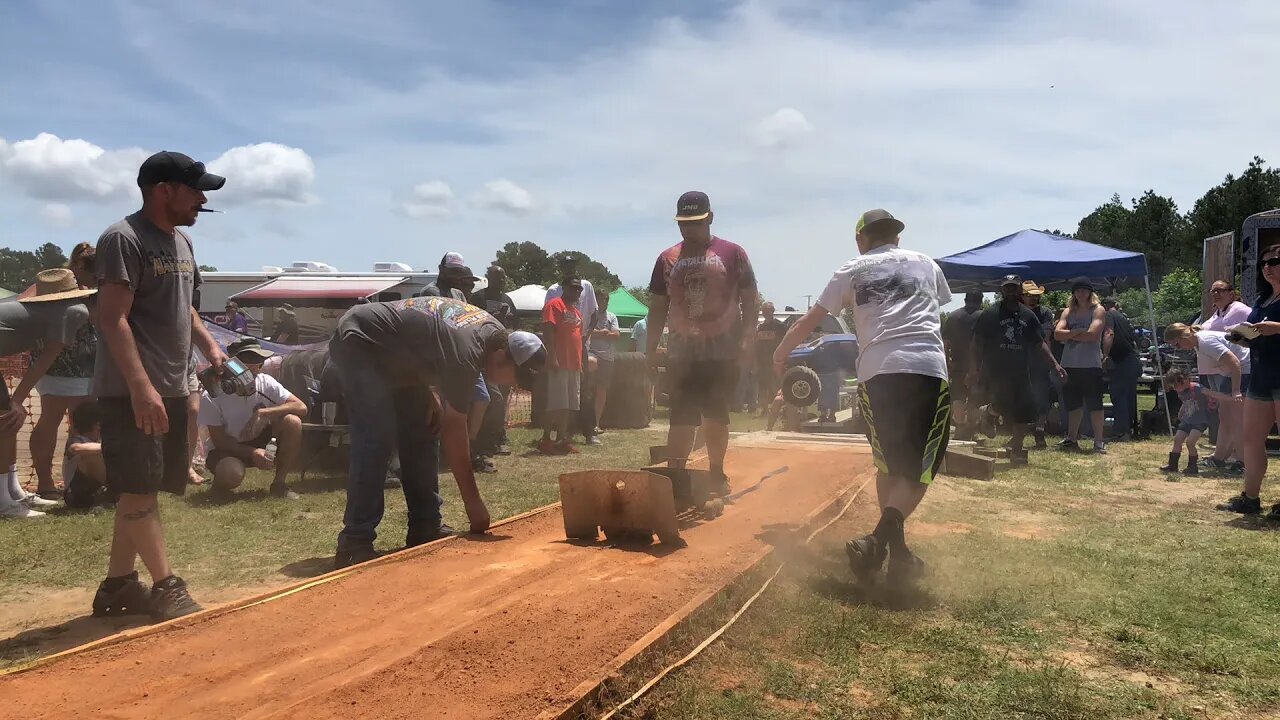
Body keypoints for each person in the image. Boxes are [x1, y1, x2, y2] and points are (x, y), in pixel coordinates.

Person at [773, 209, 947, 583]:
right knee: (920, 468)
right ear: (896, 238)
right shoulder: (927, 264)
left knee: (888, 464)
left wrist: (780, 352)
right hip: (926, 369)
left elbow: (811, 319)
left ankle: (892, 550)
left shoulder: (851, 269)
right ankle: (877, 542)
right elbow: (937, 308)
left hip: (877, 372)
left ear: (861, 240)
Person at [92, 150, 229, 620]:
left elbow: (184, 308)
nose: (202, 199)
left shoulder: (183, 244)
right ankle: (165, 586)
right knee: (138, 489)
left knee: (139, 489)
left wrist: (210, 346)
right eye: (195, 190)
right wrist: (141, 387)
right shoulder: (122, 239)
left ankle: (117, 587)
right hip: (132, 391)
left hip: (169, 385)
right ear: (163, 190)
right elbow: (112, 320)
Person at [328, 295, 546, 567]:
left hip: (395, 355)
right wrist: (473, 504)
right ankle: (355, 541)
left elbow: (428, 337)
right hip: (361, 340)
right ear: (502, 358)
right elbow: (455, 432)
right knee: (377, 436)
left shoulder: (490, 336)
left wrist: (429, 390)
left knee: (424, 428)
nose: (511, 386)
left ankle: (425, 525)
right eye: (514, 380)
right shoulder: (468, 350)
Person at [647, 191, 757, 494]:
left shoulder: (732, 253)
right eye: (683, 223)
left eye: (695, 222)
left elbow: (750, 298)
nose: (688, 229)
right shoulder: (667, 258)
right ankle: (675, 476)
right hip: (682, 352)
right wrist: (650, 348)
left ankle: (716, 472)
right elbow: (657, 307)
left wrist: (747, 338)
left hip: (722, 350)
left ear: (709, 218)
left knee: (715, 412)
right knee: (680, 413)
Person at [0, 269, 97, 519]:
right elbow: (46, 358)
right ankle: (4, 502)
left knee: (7, 425)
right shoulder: (76, 311)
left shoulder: (52, 311)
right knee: (5, 422)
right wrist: (17, 401)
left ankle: (12, 492)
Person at [970, 276, 1066, 463]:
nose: (1011, 291)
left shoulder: (1028, 316)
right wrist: (974, 368)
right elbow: (976, 343)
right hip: (997, 369)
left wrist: (1055, 363)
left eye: (1014, 288)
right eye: (1007, 288)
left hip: (1021, 370)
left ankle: (1017, 449)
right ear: (1002, 290)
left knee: (1024, 410)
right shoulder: (991, 313)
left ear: (1020, 290)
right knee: (1004, 404)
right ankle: (988, 412)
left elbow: (1040, 343)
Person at [30, 243, 99, 498]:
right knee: (51, 420)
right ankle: (46, 483)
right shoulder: (55, 285)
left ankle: (75, 480)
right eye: (93, 272)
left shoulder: (92, 288)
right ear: (79, 266)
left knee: (84, 425)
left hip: (89, 367)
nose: (96, 278)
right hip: (58, 366)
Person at [198, 338, 307, 499]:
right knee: (231, 473)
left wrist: (265, 413)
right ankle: (221, 483)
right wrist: (254, 452)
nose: (254, 366)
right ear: (231, 364)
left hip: (261, 440)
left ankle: (279, 484)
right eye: (247, 360)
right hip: (229, 448)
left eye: (258, 360)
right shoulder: (213, 397)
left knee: (293, 421)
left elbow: (301, 407)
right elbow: (220, 441)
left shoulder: (266, 383)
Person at [1227, 245, 1280, 519]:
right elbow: (1252, 331)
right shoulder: (1262, 300)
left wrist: (1277, 328)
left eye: (1274, 261)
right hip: (1261, 376)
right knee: (1251, 440)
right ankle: (1251, 498)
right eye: (1264, 263)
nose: (1267, 267)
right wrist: (1241, 336)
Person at [1164, 322, 1248, 475]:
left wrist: (1236, 391)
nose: (1178, 348)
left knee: (1237, 420)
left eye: (1177, 344)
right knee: (1225, 417)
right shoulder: (1198, 344)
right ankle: (1219, 457)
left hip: (1244, 371)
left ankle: (1243, 462)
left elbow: (1235, 363)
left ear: (1184, 336)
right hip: (1229, 375)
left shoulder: (1206, 342)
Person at [470, 265, 518, 457]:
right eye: (497, 277)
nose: (501, 280)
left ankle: (498, 436)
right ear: (488, 277)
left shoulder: (507, 300)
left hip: (504, 354)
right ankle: (484, 439)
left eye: (503, 277)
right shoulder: (478, 298)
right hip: (484, 356)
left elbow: (516, 323)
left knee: (502, 399)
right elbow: (472, 322)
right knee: (492, 398)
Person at [1054, 279, 1107, 453]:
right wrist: (1077, 332)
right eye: (1077, 291)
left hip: (1091, 365)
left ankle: (1098, 440)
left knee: (1095, 405)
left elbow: (1092, 335)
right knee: (1073, 404)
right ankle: (1071, 437)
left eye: (1084, 290)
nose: (1080, 294)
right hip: (1069, 364)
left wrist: (1069, 334)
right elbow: (1057, 334)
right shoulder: (1068, 312)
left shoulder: (1098, 310)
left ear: (1090, 293)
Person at [540, 279, 585, 454]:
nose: (577, 292)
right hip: (559, 361)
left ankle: (561, 439)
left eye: (579, 289)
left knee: (569, 404)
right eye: (573, 288)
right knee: (555, 403)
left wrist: (580, 364)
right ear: (564, 288)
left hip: (574, 364)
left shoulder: (577, 312)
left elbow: (578, 338)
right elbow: (548, 331)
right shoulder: (554, 305)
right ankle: (546, 439)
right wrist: (552, 357)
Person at [942, 292, 983, 440]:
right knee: (975, 399)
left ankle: (960, 428)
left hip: (957, 364)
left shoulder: (953, 317)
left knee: (958, 396)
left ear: (965, 300)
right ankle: (971, 430)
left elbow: (945, 343)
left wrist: (947, 362)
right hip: (979, 366)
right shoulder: (983, 317)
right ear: (981, 300)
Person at [1022, 282, 1057, 446]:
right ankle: (1019, 434)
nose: (1033, 299)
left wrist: (1050, 361)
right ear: (1022, 296)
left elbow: (1045, 336)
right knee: (1021, 398)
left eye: (1036, 296)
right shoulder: (1016, 312)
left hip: (1040, 361)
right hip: (1020, 360)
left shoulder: (1045, 313)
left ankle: (1039, 431)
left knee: (1042, 398)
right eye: (1029, 295)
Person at [1102, 297, 1142, 442]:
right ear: (1117, 305)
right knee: (1129, 397)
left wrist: (1105, 356)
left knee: (1119, 396)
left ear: (1104, 306)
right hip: (1132, 360)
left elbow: (1109, 333)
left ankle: (1121, 432)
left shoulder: (1108, 315)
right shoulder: (1124, 319)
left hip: (1122, 362)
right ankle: (1129, 430)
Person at [1158, 369, 1211, 476]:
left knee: (1190, 442)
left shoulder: (1197, 388)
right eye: (1174, 387)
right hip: (1187, 419)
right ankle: (1172, 466)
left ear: (1185, 380)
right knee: (1177, 439)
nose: (1176, 389)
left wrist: (1230, 397)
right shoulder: (1180, 391)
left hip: (1199, 421)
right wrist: (1181, 412)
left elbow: (1212, 393)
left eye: (1177, 386)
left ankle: (1192, 467)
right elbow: (1185, 402)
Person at [63, 401, 107, 510]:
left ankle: (111, 494)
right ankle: (108, 493)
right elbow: (75, 448)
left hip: (96, 491)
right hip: (76, 494)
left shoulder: (100, 439)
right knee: (91, 456)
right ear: (97, 425)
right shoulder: (77, 439)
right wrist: (109, 448)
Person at [587, 288, 620, 434]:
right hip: (590, 354)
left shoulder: (612, 317)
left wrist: (603, 334)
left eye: (605, 299)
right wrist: (602, 333)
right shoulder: (589, 315)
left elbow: (616, 336)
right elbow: (586, 332)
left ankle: (596, 423)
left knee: (601, 390)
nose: (603, 302)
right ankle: (583, 421)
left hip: (607, 358)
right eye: (600, 299)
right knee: (586, 388)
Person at [754, 302, 787, 416]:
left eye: (768, 310)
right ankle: (764, 409)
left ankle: (779, 410)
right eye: (764, 311)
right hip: (762, 361)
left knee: (776, 387)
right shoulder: (760, 327)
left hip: (775, 361)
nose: (766, 313)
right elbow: (756, 344)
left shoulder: (780, 326)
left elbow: (784, 343)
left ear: (772, 311)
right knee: (763, 386)